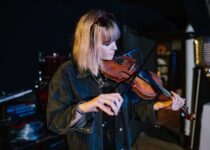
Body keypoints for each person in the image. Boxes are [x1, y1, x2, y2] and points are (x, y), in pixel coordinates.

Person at [47, 9, 185, 150]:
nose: (115, 47)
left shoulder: (115, 70)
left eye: (115, 41)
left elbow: (130, 109)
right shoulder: (67, 73)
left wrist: (161, 105)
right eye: (107, 44)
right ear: (88, 44)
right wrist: (87, 106)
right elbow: (55, 122)